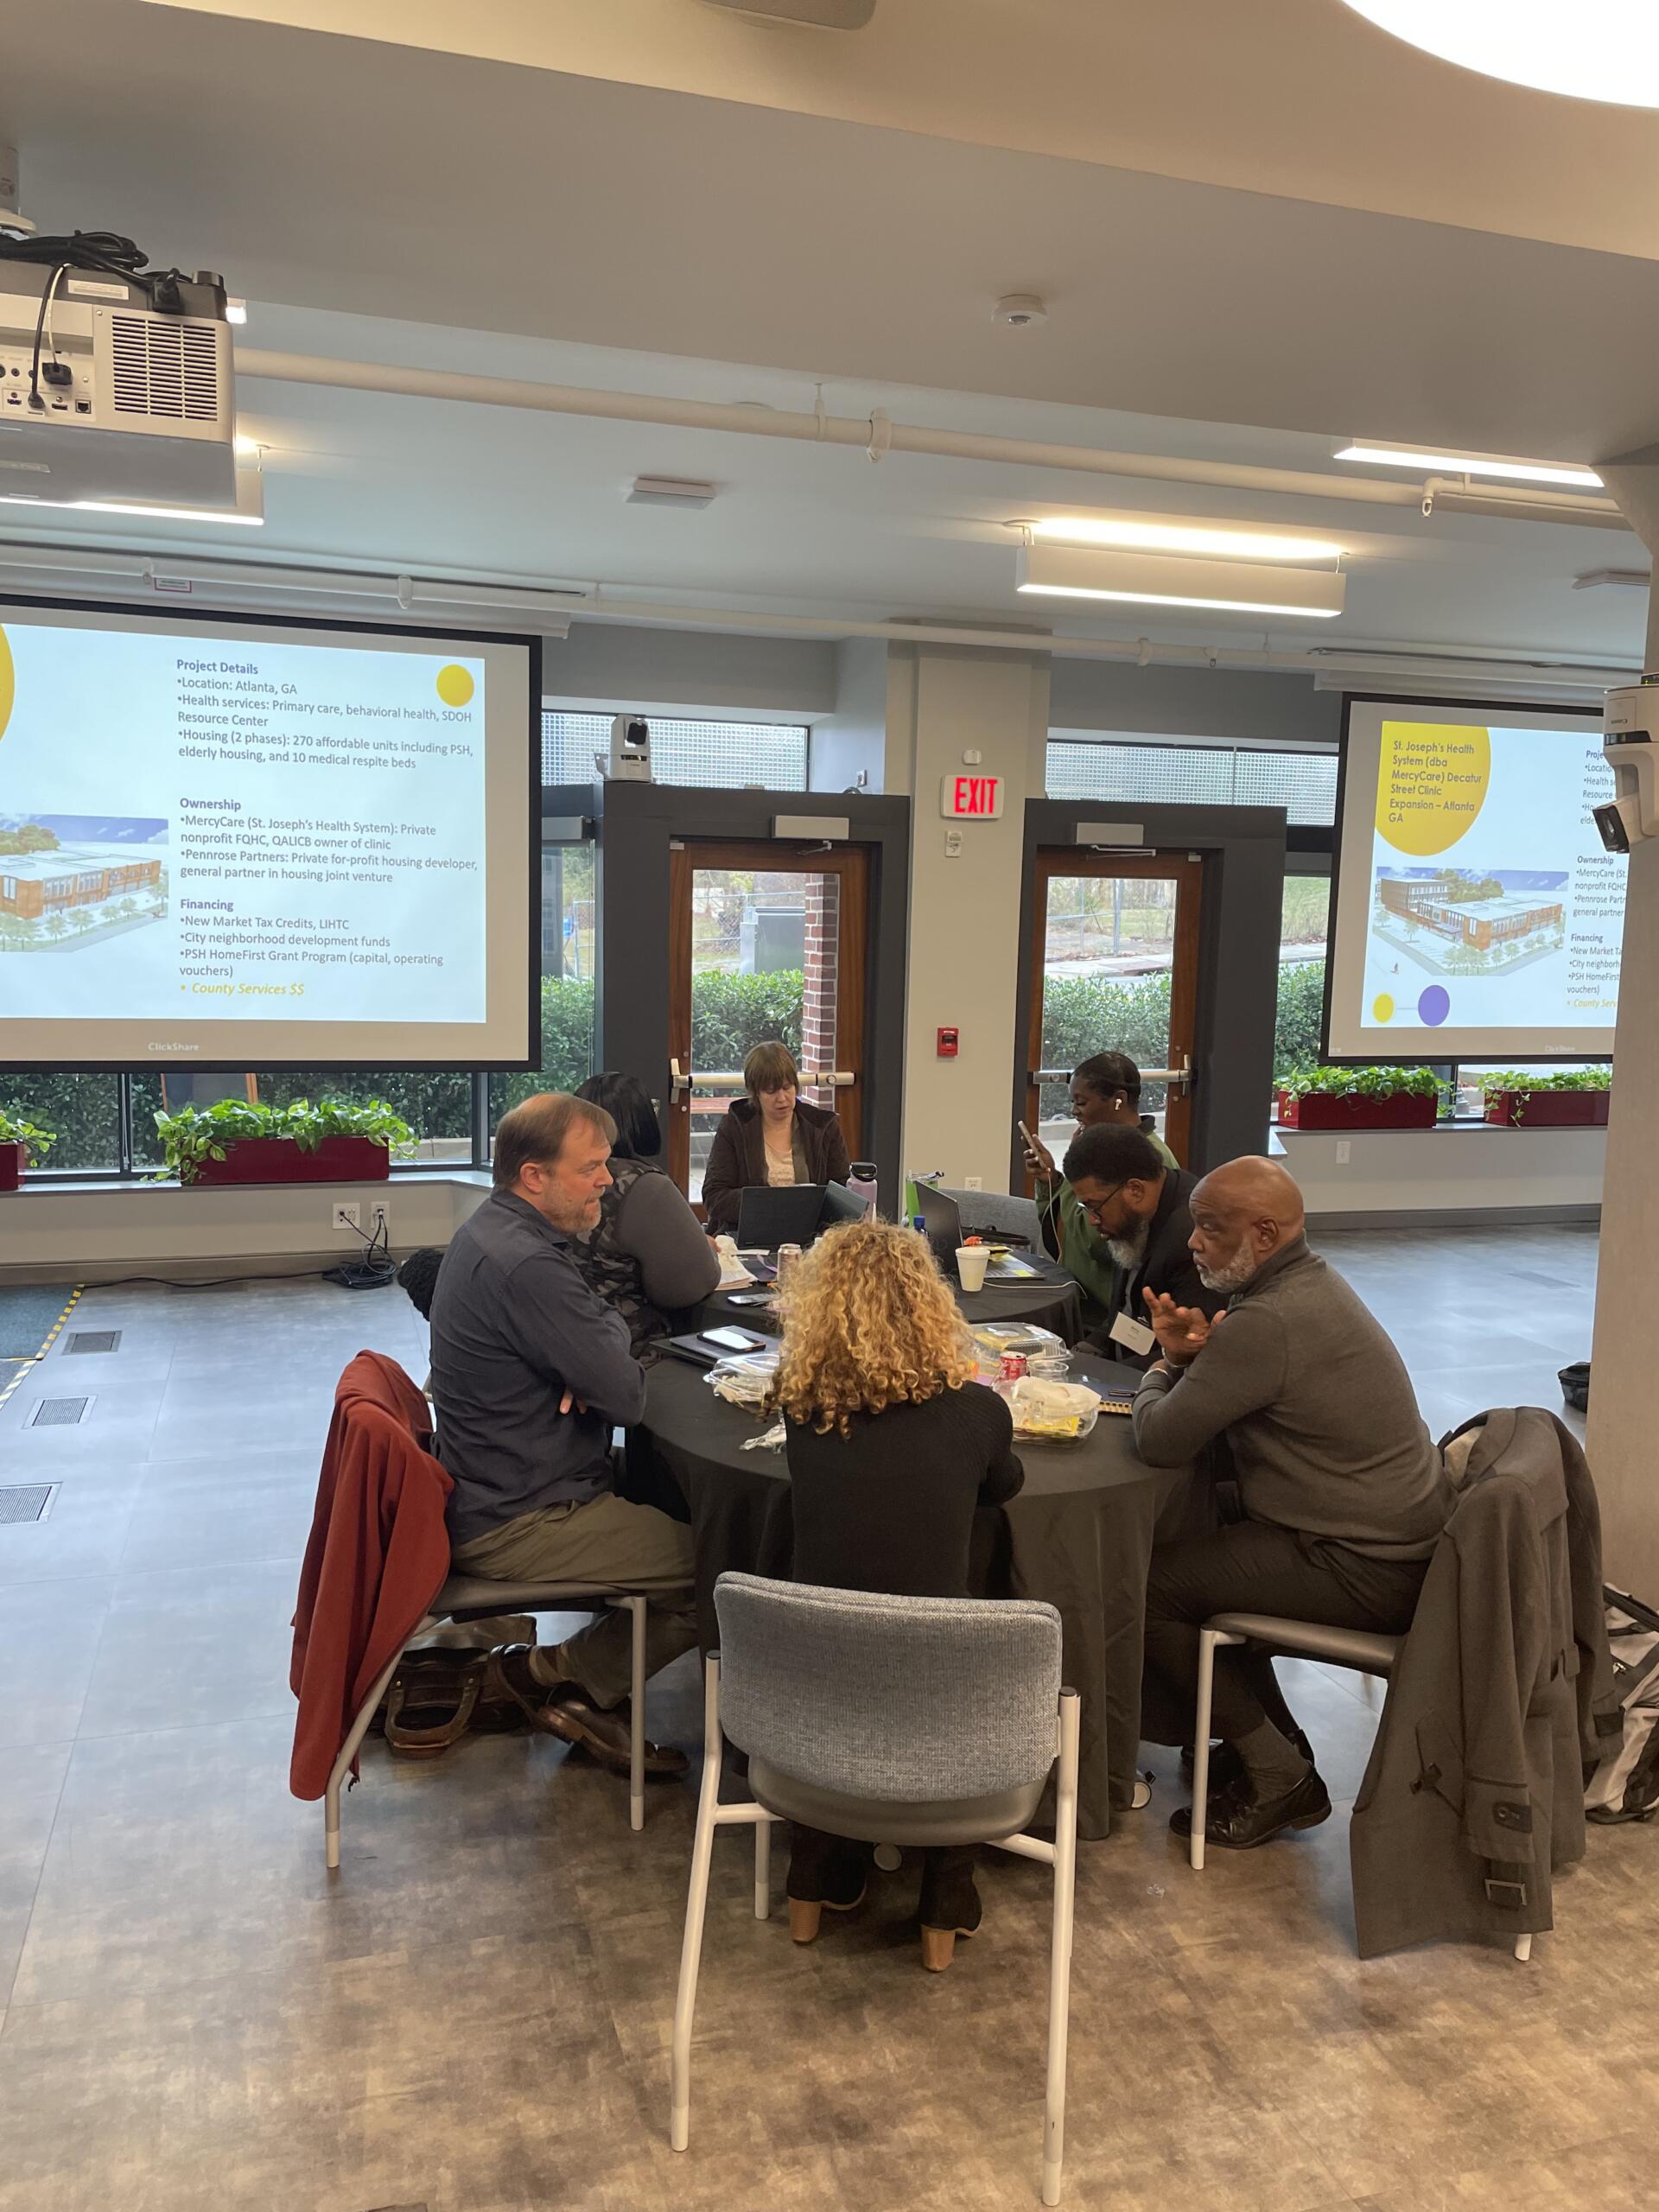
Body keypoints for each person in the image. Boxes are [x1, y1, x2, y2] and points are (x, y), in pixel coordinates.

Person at [1132, 1156, 1452, 1851]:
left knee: (1152, 1590)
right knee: (1205, 1544)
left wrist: (1162, 1367)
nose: (1193, 1243)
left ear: (1266, 1234)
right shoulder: (1313, 1285)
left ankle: (1281, 1775)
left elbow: (1159, 1439)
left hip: (1364, 1564)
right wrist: (1195, 1365)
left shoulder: (1266, 1323)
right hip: (1394, 1536)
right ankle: (1272, 1743)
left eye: (1211, 1230)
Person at [768, 1217, 1025, 1969]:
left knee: (852, 1638)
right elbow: (1002, 1486)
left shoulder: (803, 1411)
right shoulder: (978, 1415)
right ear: (931, 1306)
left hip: (817, 1666)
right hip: (933, 1670)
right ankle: (945, 1896)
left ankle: (820, 1877)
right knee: (954, 1637)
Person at [428, 1091, 700, 1782]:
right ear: (534, 1176)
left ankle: (578, 1689)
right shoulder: (530, 1267)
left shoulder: (499, 1232)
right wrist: (599, 1355)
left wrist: (593, 1354)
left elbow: (606, 1350)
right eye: (592, 1168)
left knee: (683, 1494)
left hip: (505, 1478)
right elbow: (628, 1392)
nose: (608, 1181)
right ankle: (557, 1677)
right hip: (523, 1515)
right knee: (728, 1564)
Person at [570, 1071, 719, 1355]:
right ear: (640, 1119)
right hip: (632, 1350)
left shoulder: (565, 1175)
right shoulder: (643, 1186)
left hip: (568, 1341)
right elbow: (686, 1288)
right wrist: (703, 1249)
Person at [1023, 1052, 1178, 1324]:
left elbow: (1096, 1242)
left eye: (1081, 1102)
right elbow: (1063, 1236)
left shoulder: (1147, 1160)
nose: (1074, 1111)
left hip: (1108, 1314)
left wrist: (1077, 1170)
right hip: (1078, 1298)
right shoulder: (1104, 1151)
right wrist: (1052, 1180)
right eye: (1072, 1102)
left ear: (1119, 1100)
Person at [1061, 1122, 1222, 1363]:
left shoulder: (1191, 1238)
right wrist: (1083, 1351)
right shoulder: (1133, 1218)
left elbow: (1191, 1352)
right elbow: (1124, 1310)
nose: (1092, 1220)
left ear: (1135, 1190)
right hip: (1122, 1360)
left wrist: (1101, 1377)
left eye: (1094, 1207)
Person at [701, 1039, 851, 1234]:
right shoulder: (733, 1126)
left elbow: (841, 1191)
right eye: (771, 1091)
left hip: (811, 1237)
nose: (782, 1098)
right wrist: (766, 1205)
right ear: (755, 1093)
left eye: (788, 1088)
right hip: (746, 1236)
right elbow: (714, 1196)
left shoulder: (824, 1126)